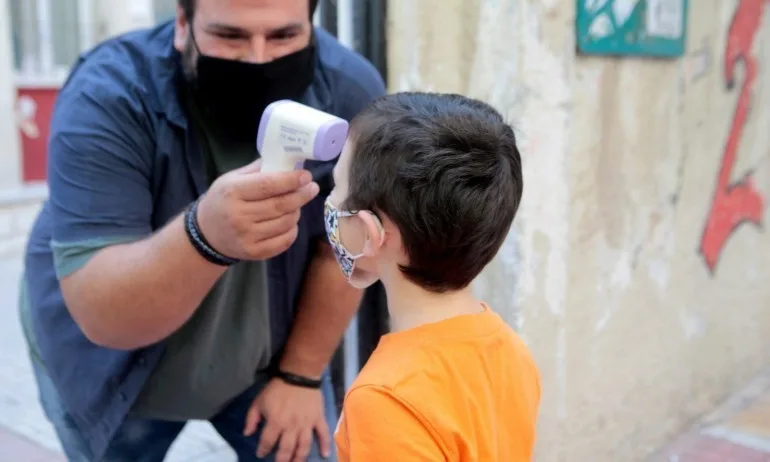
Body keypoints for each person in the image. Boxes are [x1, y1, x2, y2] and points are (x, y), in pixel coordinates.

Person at [19, 0, 385, 460]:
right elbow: (103, 309)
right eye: (230, 36)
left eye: (284, 37)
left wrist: (302, 374)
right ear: (181, 23)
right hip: (113, 370)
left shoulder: (347, 88)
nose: (259, 59)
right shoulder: (109, 94)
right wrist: (204, 235)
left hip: (267, 357)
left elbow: (341, 249)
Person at [326, 92, 541, 461]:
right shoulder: (509, 348)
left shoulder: (385, 398)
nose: (329, 202)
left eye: (336, 187)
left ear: (370, 234)